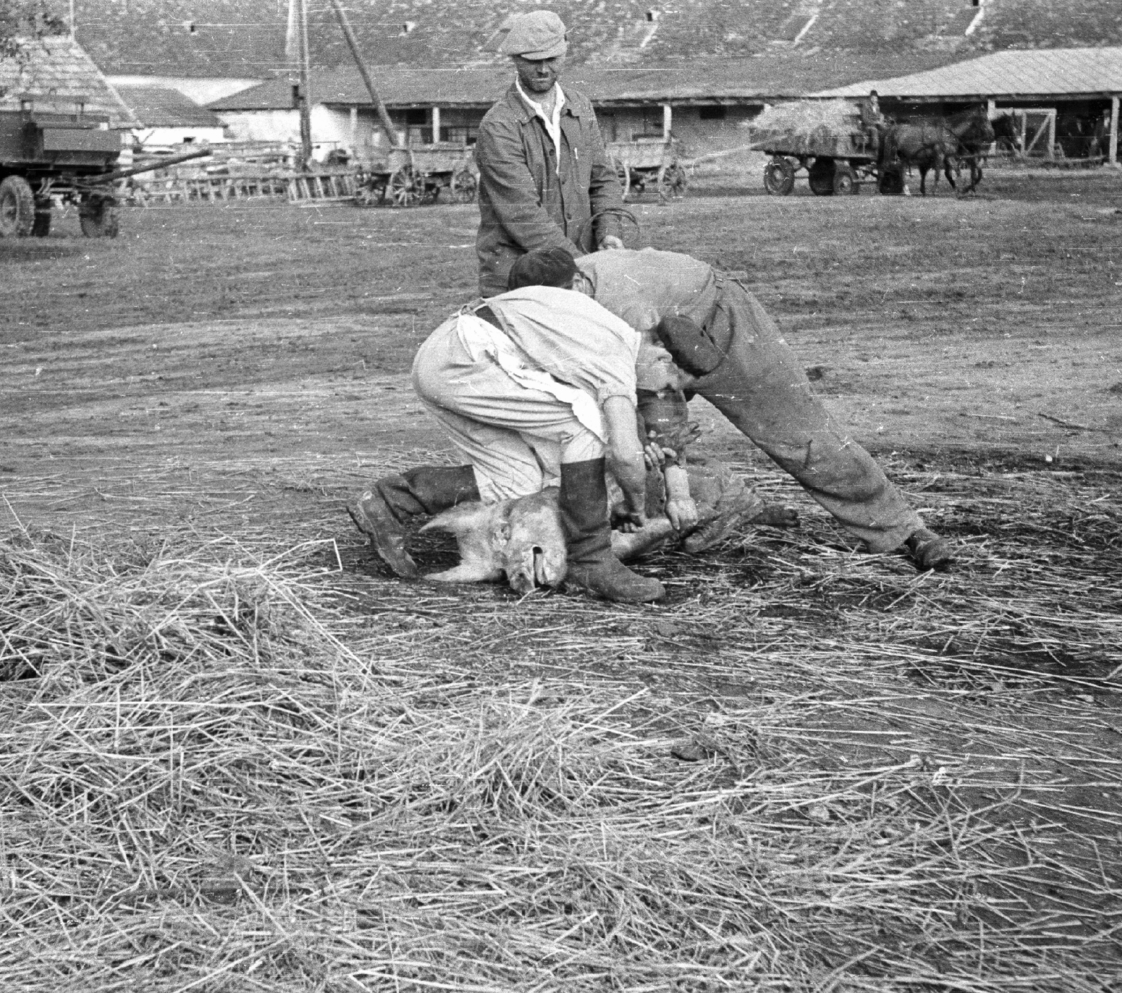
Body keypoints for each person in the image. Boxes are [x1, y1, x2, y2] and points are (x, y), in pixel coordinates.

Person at [509, 246, 956, 571]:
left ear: (578, 286)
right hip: (665, 343)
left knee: (800, 433)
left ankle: (903, 529)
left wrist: (676, 489)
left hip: (721, 325)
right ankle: (727, 505)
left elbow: (659, 405)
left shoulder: (625, 310)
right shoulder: (558, 299)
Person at [348, 279, 665, 604]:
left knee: (518, 481)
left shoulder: (607, 328)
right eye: (669, 382)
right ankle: (591, 561)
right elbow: (625, 453)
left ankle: (390, 500)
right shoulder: (619, 354)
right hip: (465, 359)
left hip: (449, 356)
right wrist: (636, 506)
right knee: (583, 426)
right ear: (662, 356)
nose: (662, 391)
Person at [473, 10, 626, 297]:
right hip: (521, 275)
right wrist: (585, 264)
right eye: (533, 61)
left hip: (579, 270)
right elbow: (523, 212)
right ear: (516, 59)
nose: (543, 69)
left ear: (565, 52)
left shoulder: (580, 107)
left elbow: (603, 178)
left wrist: (609, 231)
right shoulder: (499, 126)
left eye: (552, 59)